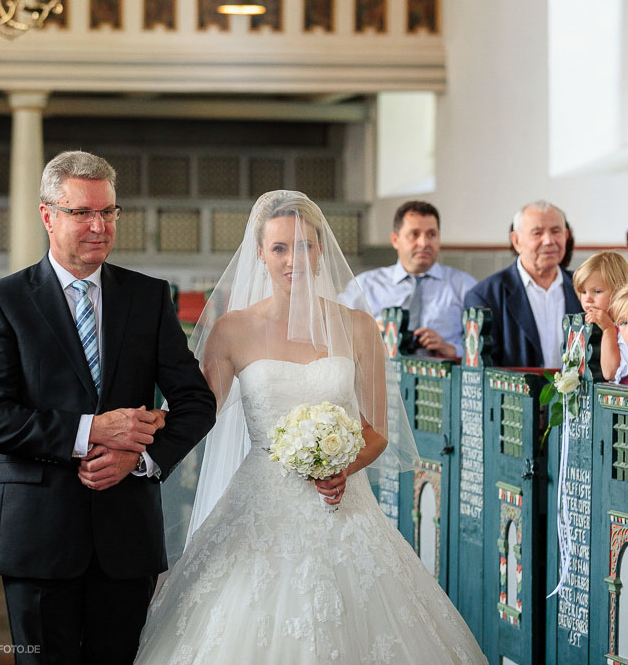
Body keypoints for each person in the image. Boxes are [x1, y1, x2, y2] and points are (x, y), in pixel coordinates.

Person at [135, 191, 487, 664]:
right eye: (279, 247)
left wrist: (342, 466)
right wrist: (147, 425)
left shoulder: (360, 326)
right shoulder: (231, 331)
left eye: (305, 246)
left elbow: (377, 429)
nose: (293, 259)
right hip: (259, 506)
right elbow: (198, 414)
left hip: (342, 502)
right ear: (260, 253)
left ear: (321, 251)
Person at [0, 151, 217, 663]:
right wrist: (92, 431)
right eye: (82, 213)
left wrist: (141, 458)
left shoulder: (147, 297)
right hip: (38, 532)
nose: (99, 226)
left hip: (125, 533)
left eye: (109, 212)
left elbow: (196, 401)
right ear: (48, 215)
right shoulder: (3, 301)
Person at [350, 200, 476, 357]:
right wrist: (368, 330)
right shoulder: (364, 286)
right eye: (414, 234)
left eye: (431, 234)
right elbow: (336, 335)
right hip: (380, 376)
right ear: (395, 240)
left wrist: (452, 349)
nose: (423, 243)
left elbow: (489, 345)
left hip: (443, 376)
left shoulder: (465, 286)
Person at [464, 200, 582, 367]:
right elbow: (482, 371)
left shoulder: (583, 289)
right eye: (537, 233)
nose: (549, 240)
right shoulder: (485, 297)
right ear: (516, 240)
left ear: (566, 236)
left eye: (556, 231)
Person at [572, 251, 628, 384]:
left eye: (597, 291)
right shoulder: (590, 325)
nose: (588, 299)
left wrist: (608, 329)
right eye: (583, 292)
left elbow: (610, 373)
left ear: (620, 290)